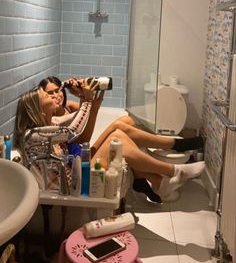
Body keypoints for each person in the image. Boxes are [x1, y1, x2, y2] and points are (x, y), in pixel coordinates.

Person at [14, 79, 205, 201]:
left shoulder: (51, 121)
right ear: (38, 109)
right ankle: (171, 172)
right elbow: (73, 131)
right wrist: (87, 101)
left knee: (120, 130)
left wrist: (87, 100)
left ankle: (163, 177)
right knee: (117, 139)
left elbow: (72, 122)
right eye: (46, 95)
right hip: (72, 185)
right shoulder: (35, 134)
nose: (53, 96)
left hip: (75, 169)